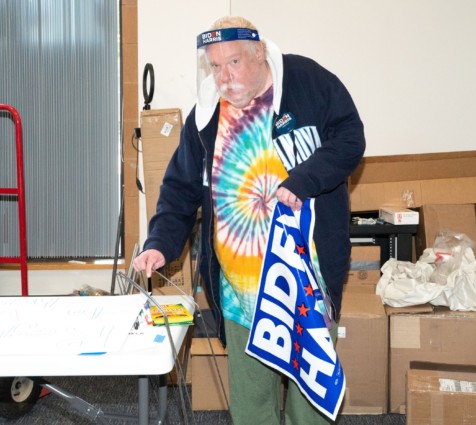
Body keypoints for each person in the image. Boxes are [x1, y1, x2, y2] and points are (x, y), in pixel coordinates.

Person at [133, 16, 365, 425]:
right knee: (252, 407)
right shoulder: (206, 117)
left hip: (307, 287)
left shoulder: (307, 82)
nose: (225, 77)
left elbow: (350, 137)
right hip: (241, 295)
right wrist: (160, 243)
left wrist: (305, 179)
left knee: (310, 407)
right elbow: (180, 189)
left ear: (259, 52)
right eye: (215, 66)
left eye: (234, 62)